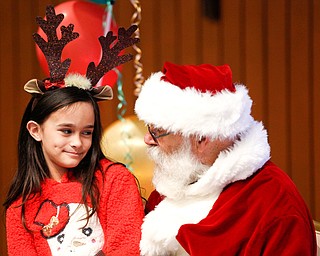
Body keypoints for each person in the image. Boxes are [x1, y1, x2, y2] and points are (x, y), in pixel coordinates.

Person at [135, 62, 317, 255]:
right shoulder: (176, 184)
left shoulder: (274, 204)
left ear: (201, 139)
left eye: (157, 132)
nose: (148, 139)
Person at [3, 5, 144, 256]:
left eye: (87, 132)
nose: (78, 142)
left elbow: (127, 248)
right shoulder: (21, 206)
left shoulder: (114, 180)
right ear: (36, 130)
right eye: (66, 131)